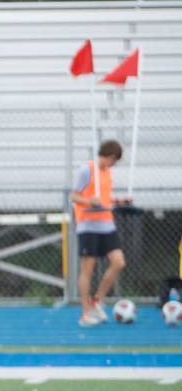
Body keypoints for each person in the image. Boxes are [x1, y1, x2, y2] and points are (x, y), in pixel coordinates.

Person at [71, 139, 129, 327]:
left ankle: (96, 300)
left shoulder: (107, 173)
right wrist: (89, 202)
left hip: (106, 224)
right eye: (114, 160)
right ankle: (85, 313)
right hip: (88, 225)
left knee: (118, 262)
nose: (113, 164)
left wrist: (118, 202)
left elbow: (104, 200)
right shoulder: (87, 169)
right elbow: (74, 195)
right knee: (88, 267)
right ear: (109, 156)